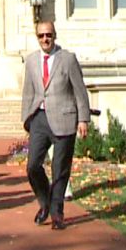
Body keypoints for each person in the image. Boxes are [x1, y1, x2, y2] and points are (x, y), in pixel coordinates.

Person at [20, 20, 89, 231]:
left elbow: (80, 90)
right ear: (37, 37)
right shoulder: (31, 61)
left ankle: (57, 213)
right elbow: (28, 92)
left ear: (54, 36)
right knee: (32, 166)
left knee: (60, 169)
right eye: (41, 36)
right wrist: (27, 119)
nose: (45, 39)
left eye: (48, 35)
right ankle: (45, 202)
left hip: (64, 117)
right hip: (39, 118)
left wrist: (83, 119)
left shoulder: (67, 59)